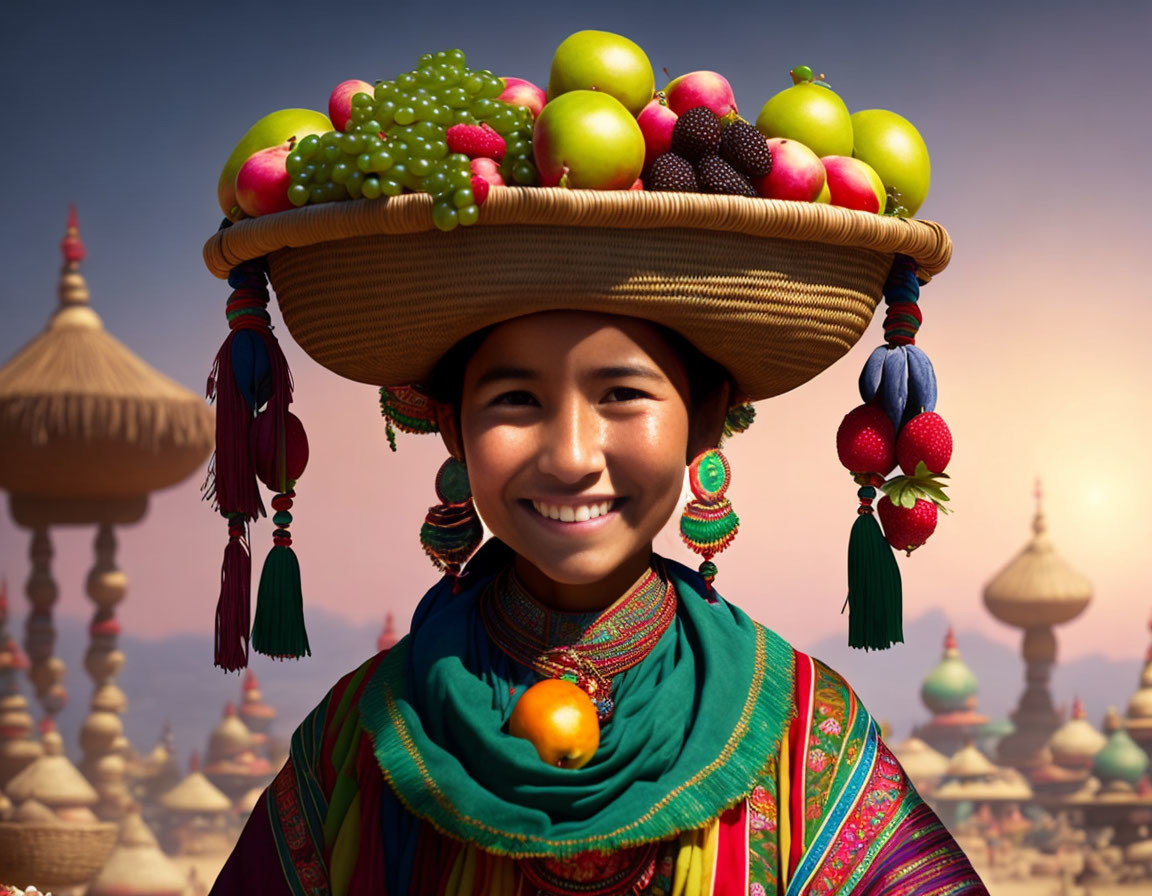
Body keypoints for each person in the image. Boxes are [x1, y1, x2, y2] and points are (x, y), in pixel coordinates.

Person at [204, 189, 986, 894]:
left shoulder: (802, 731)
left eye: (621, 394)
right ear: (452, 429)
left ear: (706, 416)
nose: (572, 458)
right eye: (515, 400)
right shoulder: (362, 740)